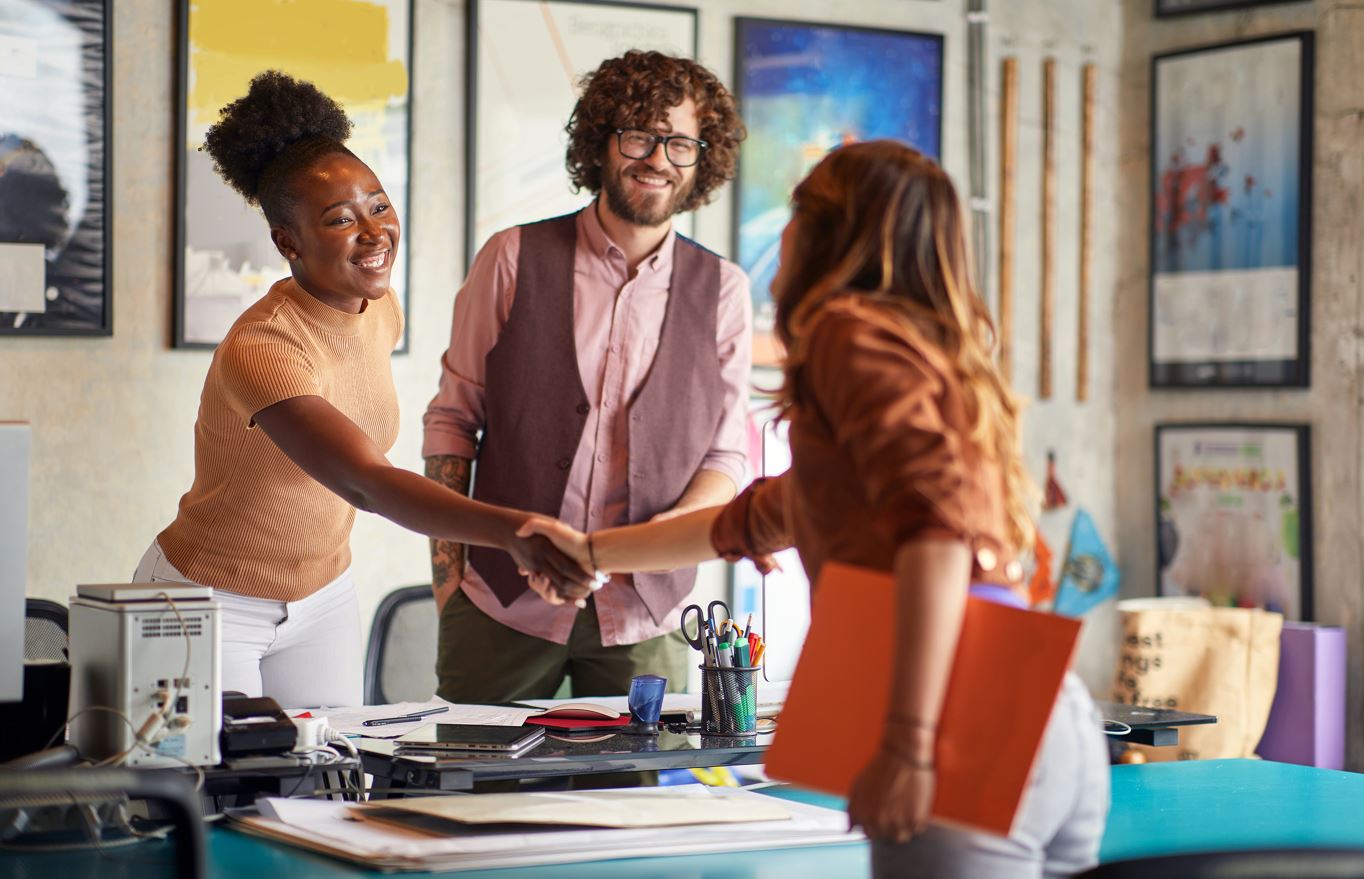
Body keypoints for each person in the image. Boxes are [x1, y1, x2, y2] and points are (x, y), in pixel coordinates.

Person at [521, 141, 1110, 876]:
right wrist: (591, 552)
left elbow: (937, 532)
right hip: (1049, 713)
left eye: (798, 210)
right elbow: (744, 522)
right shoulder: (935, 368)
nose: (783, 233)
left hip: (959, 719)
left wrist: (907, 740)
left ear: (834, 232)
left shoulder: (845, 333)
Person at [134, 71, 591, 709]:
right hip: (208, 603)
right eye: (341, 219)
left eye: (378, 205)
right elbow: (365, 481)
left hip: (321, 599)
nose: (374, 233)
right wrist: (513, 531)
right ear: (287, 242)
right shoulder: (262, 347)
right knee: (208, 794)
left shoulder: (379, 309)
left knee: (322, 789)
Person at [422, 51, 751, 705]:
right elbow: (454, 421)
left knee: (634, 802)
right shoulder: (511, 259)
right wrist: (448, 577)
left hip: (646, 621)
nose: (658, 158)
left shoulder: (725, 291)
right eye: (638, 135)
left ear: (700, 158)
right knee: (475, 799)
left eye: (679, 142)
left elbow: (726, 456)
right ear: (600, 142)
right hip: (499, 608)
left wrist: (652, 545)